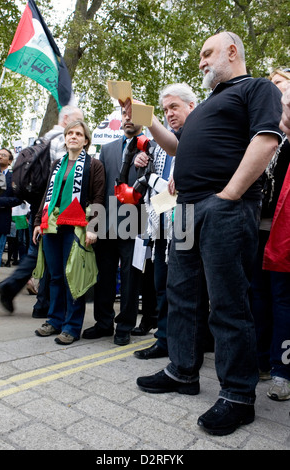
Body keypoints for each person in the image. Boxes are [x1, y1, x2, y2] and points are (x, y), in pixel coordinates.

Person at [131, 31, 283, 436]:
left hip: (224, 208)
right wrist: (145, 117)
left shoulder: (257, 88)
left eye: (206, 53)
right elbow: (177, 147)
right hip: (185, 210)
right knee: (181, 294)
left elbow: (267, 138)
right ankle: (182, 371)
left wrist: (230, 195)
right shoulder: (205, 108)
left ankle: (237, 396)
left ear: (232, 52)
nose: (200, 61)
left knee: (228, 303)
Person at [0, 106, 84, 315]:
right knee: (44, 252)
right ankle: (14, 288)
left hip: (39, 202)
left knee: (42, 251)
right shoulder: (61, 141)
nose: (78, 127)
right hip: (52, 205)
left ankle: (40, 303)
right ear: (66, 119)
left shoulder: (45, 138)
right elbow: (64, 174)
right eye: (76, 121)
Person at [132, 82, 199, 359]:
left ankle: (188, 343)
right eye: (165, 109)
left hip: (187, 221)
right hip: (161, 222)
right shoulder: (160, 145)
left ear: (191, 106)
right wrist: (140, 161)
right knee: (162, 283)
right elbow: (155, 180)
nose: (169, 113)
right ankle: (164, 339)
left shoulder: (199, 135)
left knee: (185, 288)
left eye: (174, 107)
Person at [33, 120, 105, 345]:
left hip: (77, 226)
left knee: (72, 276)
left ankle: (72, 326)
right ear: (65, 138)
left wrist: (94, 227)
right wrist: (38, 221)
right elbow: (47, 195)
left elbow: (98, 198)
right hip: (52, 224)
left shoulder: (94, 165)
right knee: (54, 276)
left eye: (78, 134)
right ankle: (54, 320)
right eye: (70, 133)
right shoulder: (57, 164)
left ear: (86, 141)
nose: (73, 136)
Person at [82, 105, 144, 346]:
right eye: (125, 115)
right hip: (106, 223)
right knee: (104, 276)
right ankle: (104, 322)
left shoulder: (151, 147)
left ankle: (125, 326)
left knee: (130, 279)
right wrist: (94, 224)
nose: (128, 119)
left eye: (133, 116)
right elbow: (100, 189)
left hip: (135, 223)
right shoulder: (106, 149)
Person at [251, 67, 290, 400]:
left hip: (284, 236)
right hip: (257, 229)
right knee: (257, 297)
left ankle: (282, 370)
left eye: (281, 86)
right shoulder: (262, 134)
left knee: (282, 301)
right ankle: (261, 362)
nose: (275, 92)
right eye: (272, 86)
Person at [0, 148, 21, 289]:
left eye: (4, 155)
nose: (0, 157)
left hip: (1, 218)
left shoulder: (14, 178)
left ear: (9, 161)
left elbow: (18, 199)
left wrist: (0, 202)